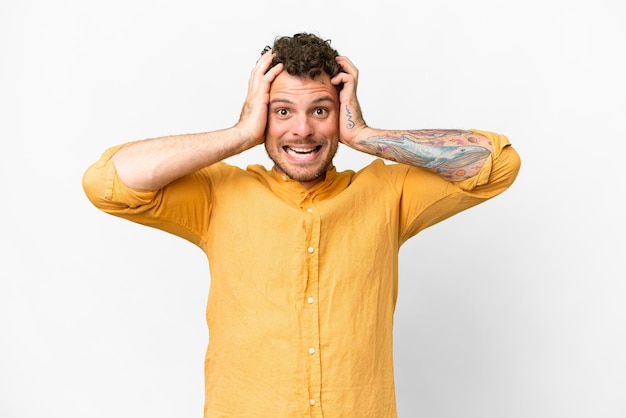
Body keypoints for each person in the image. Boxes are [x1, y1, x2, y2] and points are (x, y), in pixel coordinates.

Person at [83, 32, 521, 417]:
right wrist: (240, 133)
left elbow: (497, 163)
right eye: (283, 111)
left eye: (320, 110)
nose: (303, 131)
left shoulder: (389, 193)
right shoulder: (217, 195)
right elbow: (107, 182)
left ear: (341, 111)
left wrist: (363, 135)